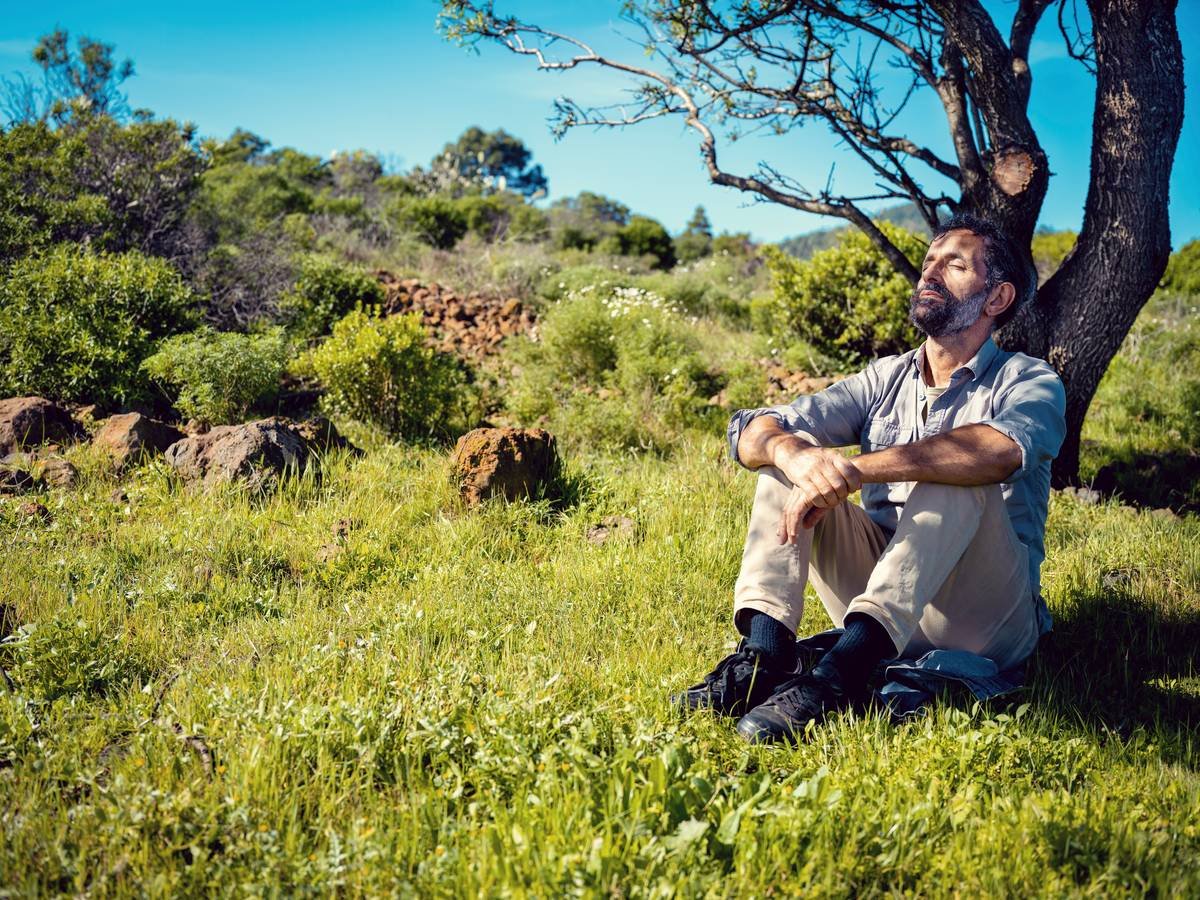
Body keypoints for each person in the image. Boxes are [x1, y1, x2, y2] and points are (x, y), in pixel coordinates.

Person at [674, 213, 1066, 744]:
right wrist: (794, 455)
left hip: (983, 618)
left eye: (953, 265)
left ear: (996, 299)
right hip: (877, 594)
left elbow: (996, 452)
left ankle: (838, 677)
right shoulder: (885, 377)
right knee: (789, 468)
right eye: (929, 261)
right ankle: (765, 660)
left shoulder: (1031, 380)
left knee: (955, 472)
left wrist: (854, 469)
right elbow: (753, 429)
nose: (929, 274)